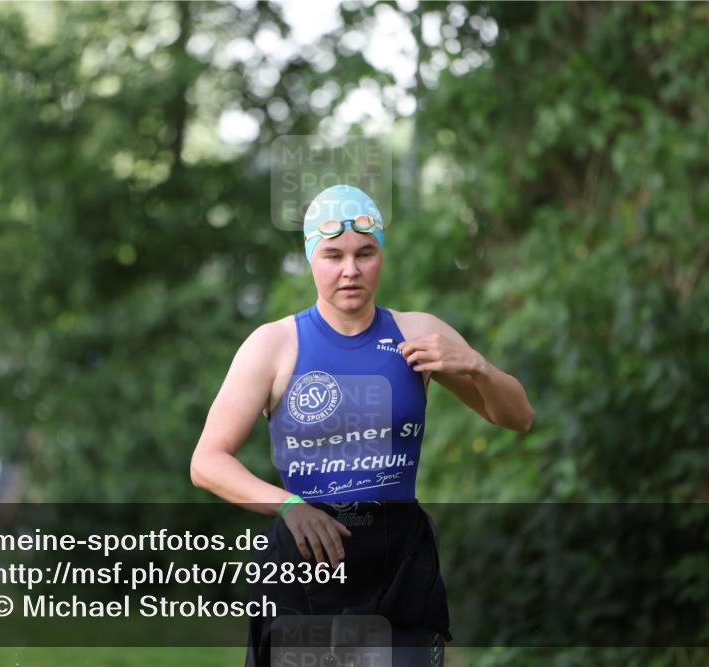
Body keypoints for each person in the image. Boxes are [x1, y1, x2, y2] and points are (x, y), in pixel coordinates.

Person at [190, 184, 534, 666]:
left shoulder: (414, 334)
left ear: (380, 257)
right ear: (311, 258)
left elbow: (517, 417)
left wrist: (476, 364)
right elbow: (207, 462)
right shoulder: (274, 345)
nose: (350, 269)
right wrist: (289, 506)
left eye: (365, 253)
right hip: (308, 561)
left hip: (398, 568)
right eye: (333, 255)